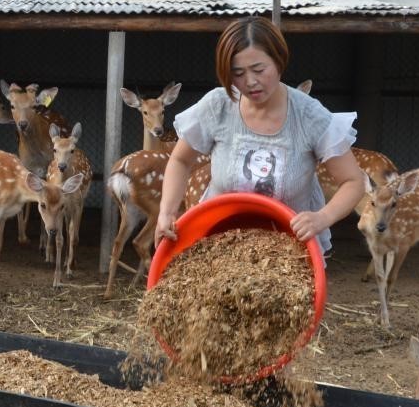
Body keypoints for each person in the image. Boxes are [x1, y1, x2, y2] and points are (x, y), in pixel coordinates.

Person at [154, 16, 364, 255]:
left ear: (279, 60)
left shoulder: (309, 116)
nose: (250, 82)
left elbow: (353, 182)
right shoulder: (218, 106)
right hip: (220, 245)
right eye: (238, 73)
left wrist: (322, 217)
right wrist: (167, 212)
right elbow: (181, 161)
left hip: (289, 253)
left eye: (258, 69)